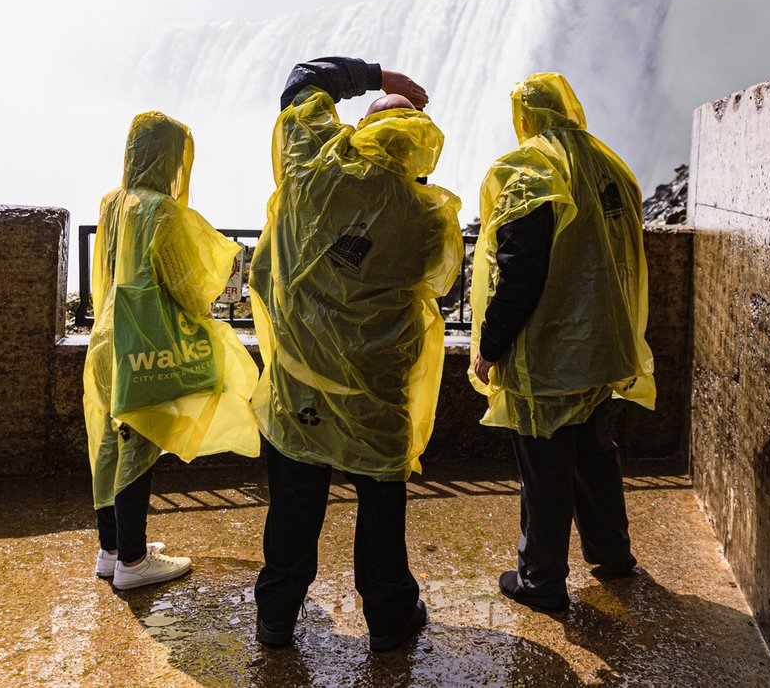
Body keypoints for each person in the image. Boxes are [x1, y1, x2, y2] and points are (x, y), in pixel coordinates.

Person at [250, 61, 462, 652]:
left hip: (301, 385)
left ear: (359, 132)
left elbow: (301, 81)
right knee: (381, 508)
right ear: (419, 146)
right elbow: (437, 282)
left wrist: (376, 74)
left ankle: (277, 618)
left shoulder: (312, 167)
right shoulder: (427, 216)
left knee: (294, 502)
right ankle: (390, 620)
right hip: (376, 389)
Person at [469, 72, 655, 612]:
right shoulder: (608, 163)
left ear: (525, 117)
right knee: (596, 454)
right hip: (603, 345)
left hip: (548, 352)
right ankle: (612, 556)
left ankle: (541, 580)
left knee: (543, 467)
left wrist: (492, 342)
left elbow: (519, 268)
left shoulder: (528, 166)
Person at [83, 111, 261, 590]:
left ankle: (112, 548)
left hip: (106, 339)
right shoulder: (160, 209)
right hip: (145, 342)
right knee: (140, 442)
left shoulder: (112, 203)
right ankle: (135, 562)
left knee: (108, 443)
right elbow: (186, 283)